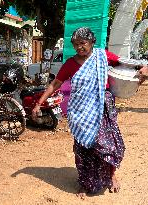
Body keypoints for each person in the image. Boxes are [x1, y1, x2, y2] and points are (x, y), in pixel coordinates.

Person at [32, 27, 131, 199]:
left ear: (92, 42)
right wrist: (39, 103)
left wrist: (142, 71)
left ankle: (112, 175)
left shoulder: (102, 56)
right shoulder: (70, 64)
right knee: (84, 149)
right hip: (81, 112)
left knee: (109, 145)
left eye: (83, 43)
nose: (79, 47)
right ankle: (85, 182)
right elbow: (55, 84)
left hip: (103, 108)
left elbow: (125, 64)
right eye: (76, 44)